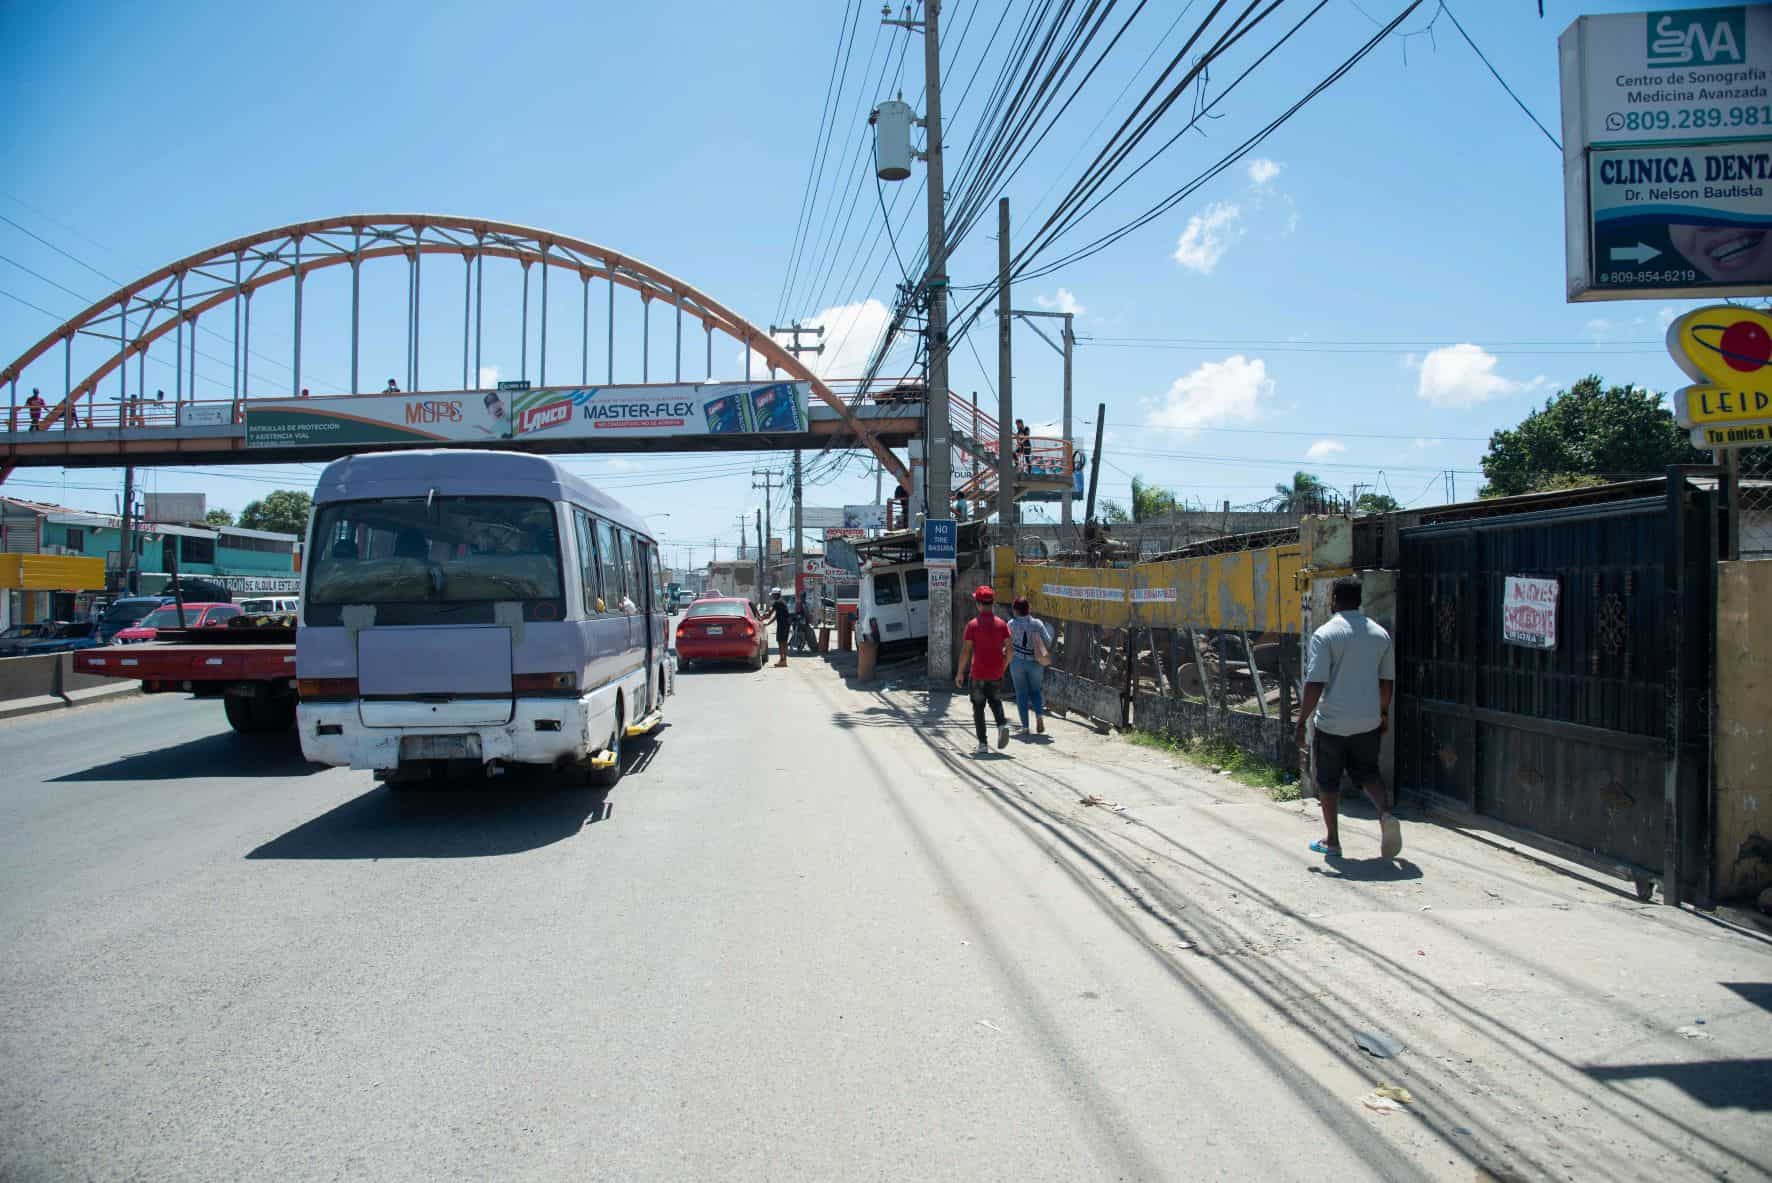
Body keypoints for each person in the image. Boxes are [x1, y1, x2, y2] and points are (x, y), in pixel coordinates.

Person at [1295, 576, 1401, 860]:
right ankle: (1385, 814)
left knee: (1328, 781)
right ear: (1360, 599)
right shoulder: (1379, 634)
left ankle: (1332, 841)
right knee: (1368, 771)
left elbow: (1315, 682)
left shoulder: (1325, 634)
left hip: (1332, 722)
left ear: (1332, 599)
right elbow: (1386, 682)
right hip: (1368, 720)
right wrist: (1382, 713)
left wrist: (1301, 720)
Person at [955, 584, 1011, 753]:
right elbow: (1010, 650)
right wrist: (1003, 666)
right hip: (996, 673)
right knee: (995, 700)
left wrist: (959, 673)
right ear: (992, 603)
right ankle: (1001, 725)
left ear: (978, 604)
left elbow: (966, 651)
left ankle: (983, 744)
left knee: (978, 708)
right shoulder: (1002, 624)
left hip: (978, 673)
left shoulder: (972, 625)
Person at [1007, 596, 1052, 735]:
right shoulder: (1037, 624)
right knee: (1035, 691)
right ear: (1028, 609)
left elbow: (1006, 643)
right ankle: (1039, 715)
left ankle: (1025, 727)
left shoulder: (1011, 624)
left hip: (1017, 662)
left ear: (1015, 610)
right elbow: (1048, 641)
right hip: (1035, 662)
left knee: (1021, 693)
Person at [769, 586, 791, 667]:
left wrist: (760, 618)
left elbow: (769, 615)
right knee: (784, 642)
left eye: (773, 595)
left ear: (776, 595)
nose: (772, 596)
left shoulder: (777, 603)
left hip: (782, 625)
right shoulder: (782, 602)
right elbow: (776, 616)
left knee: (781, 643)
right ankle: (784, 660)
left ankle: (782, 660)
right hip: (786, 624)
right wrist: (768, 624)